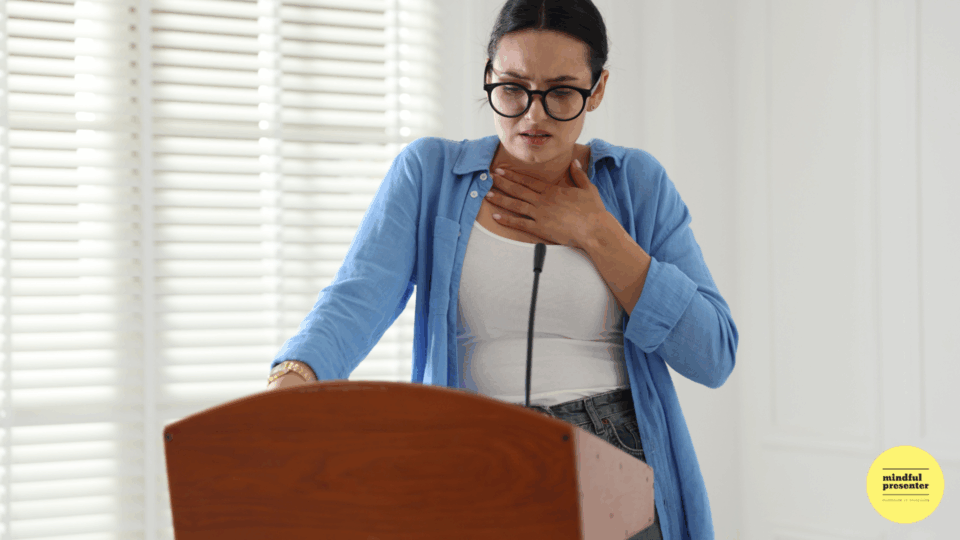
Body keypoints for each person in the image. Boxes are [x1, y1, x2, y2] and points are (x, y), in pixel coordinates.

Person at [265, 1, 738, 539]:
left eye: (561, 92)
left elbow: (714, 355)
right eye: (512, 88)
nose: (533, 116)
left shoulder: (637, 185)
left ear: (598, 89)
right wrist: (295, 377)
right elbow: (357, 297)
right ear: (488, 76)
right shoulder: (429, 175)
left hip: (611, 453)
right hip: (472, 459)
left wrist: (598, 233)